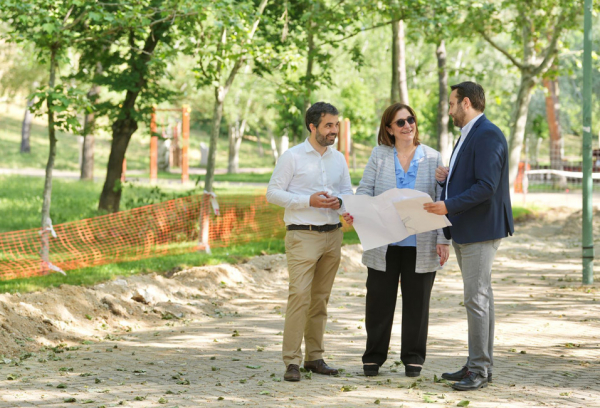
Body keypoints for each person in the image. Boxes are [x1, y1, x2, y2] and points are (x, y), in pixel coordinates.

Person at [348, 103, 450, 378]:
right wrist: (357, 213)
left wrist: (444, 239)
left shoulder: (432, 156)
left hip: (422, 243)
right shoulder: (379, 155)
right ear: (389, 129)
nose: (408, 126)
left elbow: (441, 199)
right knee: (378, 303)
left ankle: (413, 358)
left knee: (418, 304)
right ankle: (373, 357)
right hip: (384, 243)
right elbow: (366, 191)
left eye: (411, 120)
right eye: (400, 122)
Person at [424, 81, 514, 391]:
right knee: (481, 299)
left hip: (480, 228)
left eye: (451, 104)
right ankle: (478, 364)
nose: (449, 110)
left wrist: (446, 205)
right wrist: (448, 178)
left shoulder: (487, 134)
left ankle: (478, 369)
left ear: (465, 103)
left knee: (476, 300)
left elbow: (486, 186)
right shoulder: (469, 134)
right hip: (467, 227)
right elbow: (473, 179)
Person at [266, 102, 354, 382]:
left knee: (320, 300)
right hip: (302, 235)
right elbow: (272, 193)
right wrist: (308, 201)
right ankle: (291, 362)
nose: (334, 131)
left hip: (333, 235)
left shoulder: (338, 158)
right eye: (329, 125)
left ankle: (314, 358)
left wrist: (340, 203)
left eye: (336, 125)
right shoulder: (291, 157)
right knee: (300, 297)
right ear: (313, 126)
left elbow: (346, 193)